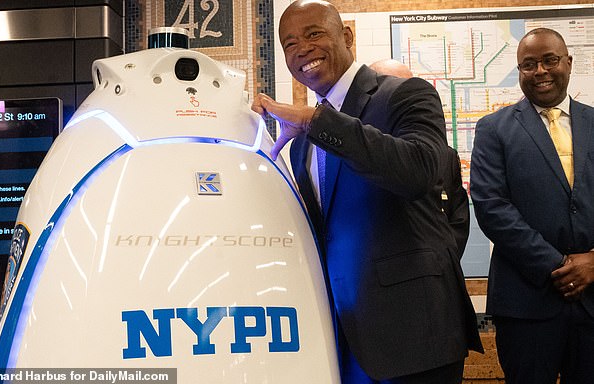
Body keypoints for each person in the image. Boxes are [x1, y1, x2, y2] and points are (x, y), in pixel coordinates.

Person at [251, 1, 483, 382]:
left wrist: (316, 119)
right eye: (289, 44)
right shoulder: (302, 145)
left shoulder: (405, 94)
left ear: (347, 37)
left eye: (314, 34)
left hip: (415, 339)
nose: (302, 49)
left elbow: (419, 172)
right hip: (344, 341)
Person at [470, 27, 594, 383]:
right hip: (526, 303)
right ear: (520, 71)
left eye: (549, 60)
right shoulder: (494, 129)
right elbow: (493, 208)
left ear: (568, 62)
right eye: (528, 64)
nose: (540, 71)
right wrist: (560, 266)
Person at [369, 59, 470, 258]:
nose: (405, 96)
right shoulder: (362, 153)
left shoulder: (444, 156)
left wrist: (439, 262)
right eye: (393, 87)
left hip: (436, 271)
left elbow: (458, 219)